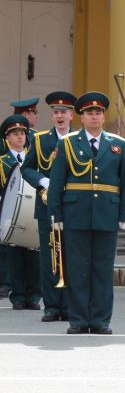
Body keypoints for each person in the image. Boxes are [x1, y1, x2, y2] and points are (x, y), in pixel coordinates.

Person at [48, 92, 125, 334]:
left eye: (98, 112)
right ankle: (78, 320)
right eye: (89, 113)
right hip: (75, 215)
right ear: (81, 118)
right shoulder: (67, 143)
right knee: (78, 269)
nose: (94, 116)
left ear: (103, 116)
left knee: (103, 270)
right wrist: (56, 216)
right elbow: (57, 183)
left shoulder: (118, 144)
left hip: (107, 214)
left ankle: (100, 321)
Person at [22, 91, 76, 322]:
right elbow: (27, 168)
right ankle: (52, 306)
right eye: (56, 112)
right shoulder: (40, 139)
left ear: (72, 115)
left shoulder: (79, 139)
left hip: (73, 206)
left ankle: (69, 306)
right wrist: (41, 180)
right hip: (46, 206)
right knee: (49, 256)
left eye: (64, 112)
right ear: (52, 116)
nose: (60, 116)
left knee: (72, 256)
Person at [0, 115, 41, 310]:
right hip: (10, 214)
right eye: (15, 134)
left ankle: (33, 296)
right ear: (7, 138)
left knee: (33, 255)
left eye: (22, 133)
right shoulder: (2, 162)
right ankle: (17, 296)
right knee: (14, 255)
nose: (19, 137)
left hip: (32, 211)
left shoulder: (33, 158)